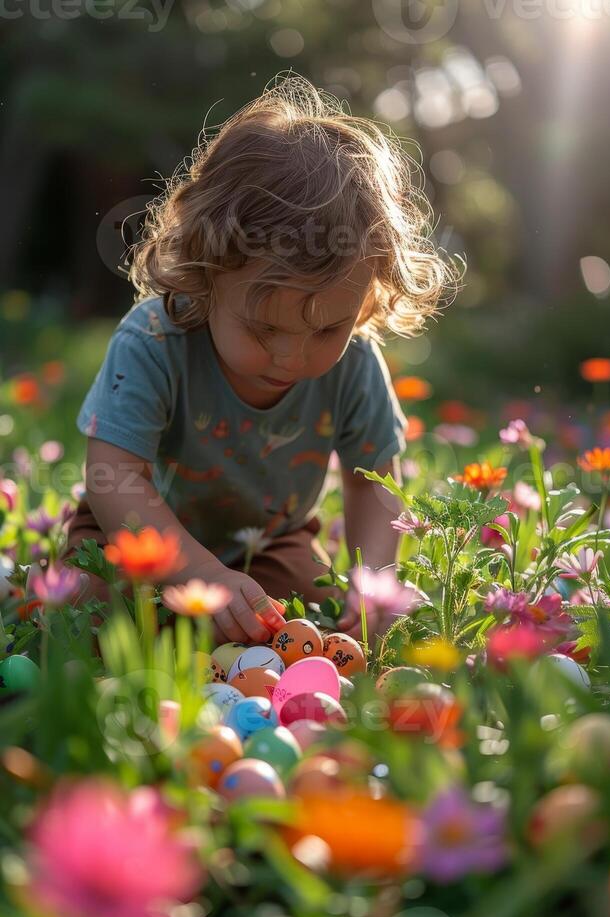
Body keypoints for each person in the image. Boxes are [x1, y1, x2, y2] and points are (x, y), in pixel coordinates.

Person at [61, 72, 456, 646]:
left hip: (268, 543)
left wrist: (372, 585)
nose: (291, 355)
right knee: (83, 612)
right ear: (208, 273)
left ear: (368, 294)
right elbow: (113, 476)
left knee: (314, 626)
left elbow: (373, 482)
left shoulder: (356, 364)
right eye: (263, 326)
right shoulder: (153, 341)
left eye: (326, 328)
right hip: (136, 537)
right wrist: (197, 572)